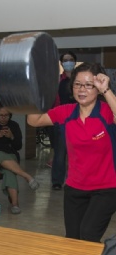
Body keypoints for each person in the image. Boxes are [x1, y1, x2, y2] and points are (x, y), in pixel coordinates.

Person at [27, 62, 116, 242]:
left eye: (89, 84)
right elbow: (33, 120)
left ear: (98, 88)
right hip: (75, 187)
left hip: (106, 189)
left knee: (88, 235)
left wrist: (106, 90)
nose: (82, 89)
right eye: (77, 84)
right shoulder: (66, 112)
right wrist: (35, 91)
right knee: (73, 240)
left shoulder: (106, 112)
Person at [0, 101, 39, 215]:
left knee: (9, 172)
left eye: (6, 115)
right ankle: (26, 176)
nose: (3, 118)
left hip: (10, 155)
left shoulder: (14, 125)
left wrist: (11, 136)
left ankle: (15, 205)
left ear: (10, 114)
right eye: (0, 115)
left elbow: (18, 146)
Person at [51, 51, 78, 190]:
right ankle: (57, 181)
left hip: (78, 120)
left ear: (75, 62)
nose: (68, 62)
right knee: (60, 153)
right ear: (61, 63)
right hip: (61, 121)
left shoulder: (79, 79)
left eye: (71, 59)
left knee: (78, 152)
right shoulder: (57, 81)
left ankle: (76, 180)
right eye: (65, 60)